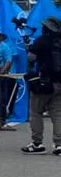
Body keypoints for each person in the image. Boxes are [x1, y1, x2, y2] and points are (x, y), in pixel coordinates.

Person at [23, 18, 61, 155]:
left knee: (36, 112)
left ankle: (37, 143)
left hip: (44, 82)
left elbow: (31, 58)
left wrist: (29, 48)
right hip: (59, 83)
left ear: (46, 28)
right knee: (58, 113)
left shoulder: (41, 41)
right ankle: (59, 145)